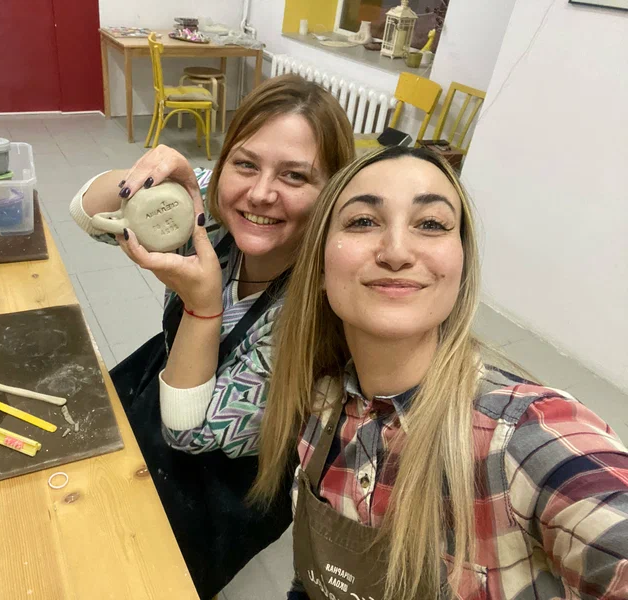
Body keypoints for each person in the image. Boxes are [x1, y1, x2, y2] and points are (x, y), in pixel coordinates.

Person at [251, 145, 628, 599]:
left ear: (461, 266)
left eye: (431, 224)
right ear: (320, 267)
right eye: (363, 221)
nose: (396, 252)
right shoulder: (322, 404)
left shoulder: (526, 436)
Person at [69, 74, 355, 598]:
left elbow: (189, 431)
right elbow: (85, 212)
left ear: (333, 194)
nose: (260, 193)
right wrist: (146, 175)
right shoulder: (211, 207)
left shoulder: (323, 311)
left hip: (226, 481)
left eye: (295, 176)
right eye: (245, 164)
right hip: (158, 389)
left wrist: (203, 309)